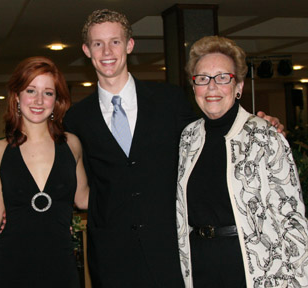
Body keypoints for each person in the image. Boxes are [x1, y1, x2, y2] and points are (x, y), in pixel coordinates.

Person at [64, 9, 285, 287]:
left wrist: (256, 124)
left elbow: (211, 131)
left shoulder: (169, 100)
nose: (107, 51)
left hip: (170, 254)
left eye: (115, 41)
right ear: (87, 50)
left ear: (129, 45)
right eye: (98, 43)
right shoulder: (76, 118)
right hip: (111, 258)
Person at [176, 35, 308, 288]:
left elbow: (292, 220)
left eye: (223, 77)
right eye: (203, 79)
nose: (212, 87)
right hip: (200, 266)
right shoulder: (188, 138)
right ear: (194, 88)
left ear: (238, 87)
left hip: (254, 270)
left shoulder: (265, 136)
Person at [0, 56, 89, 287]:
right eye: (31, 90)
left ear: (57, 100)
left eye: (48, 93)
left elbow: (83, 199)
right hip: (12, 264)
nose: (39, 100)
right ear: (16, 97)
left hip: (61, 262)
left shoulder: (72, 144)